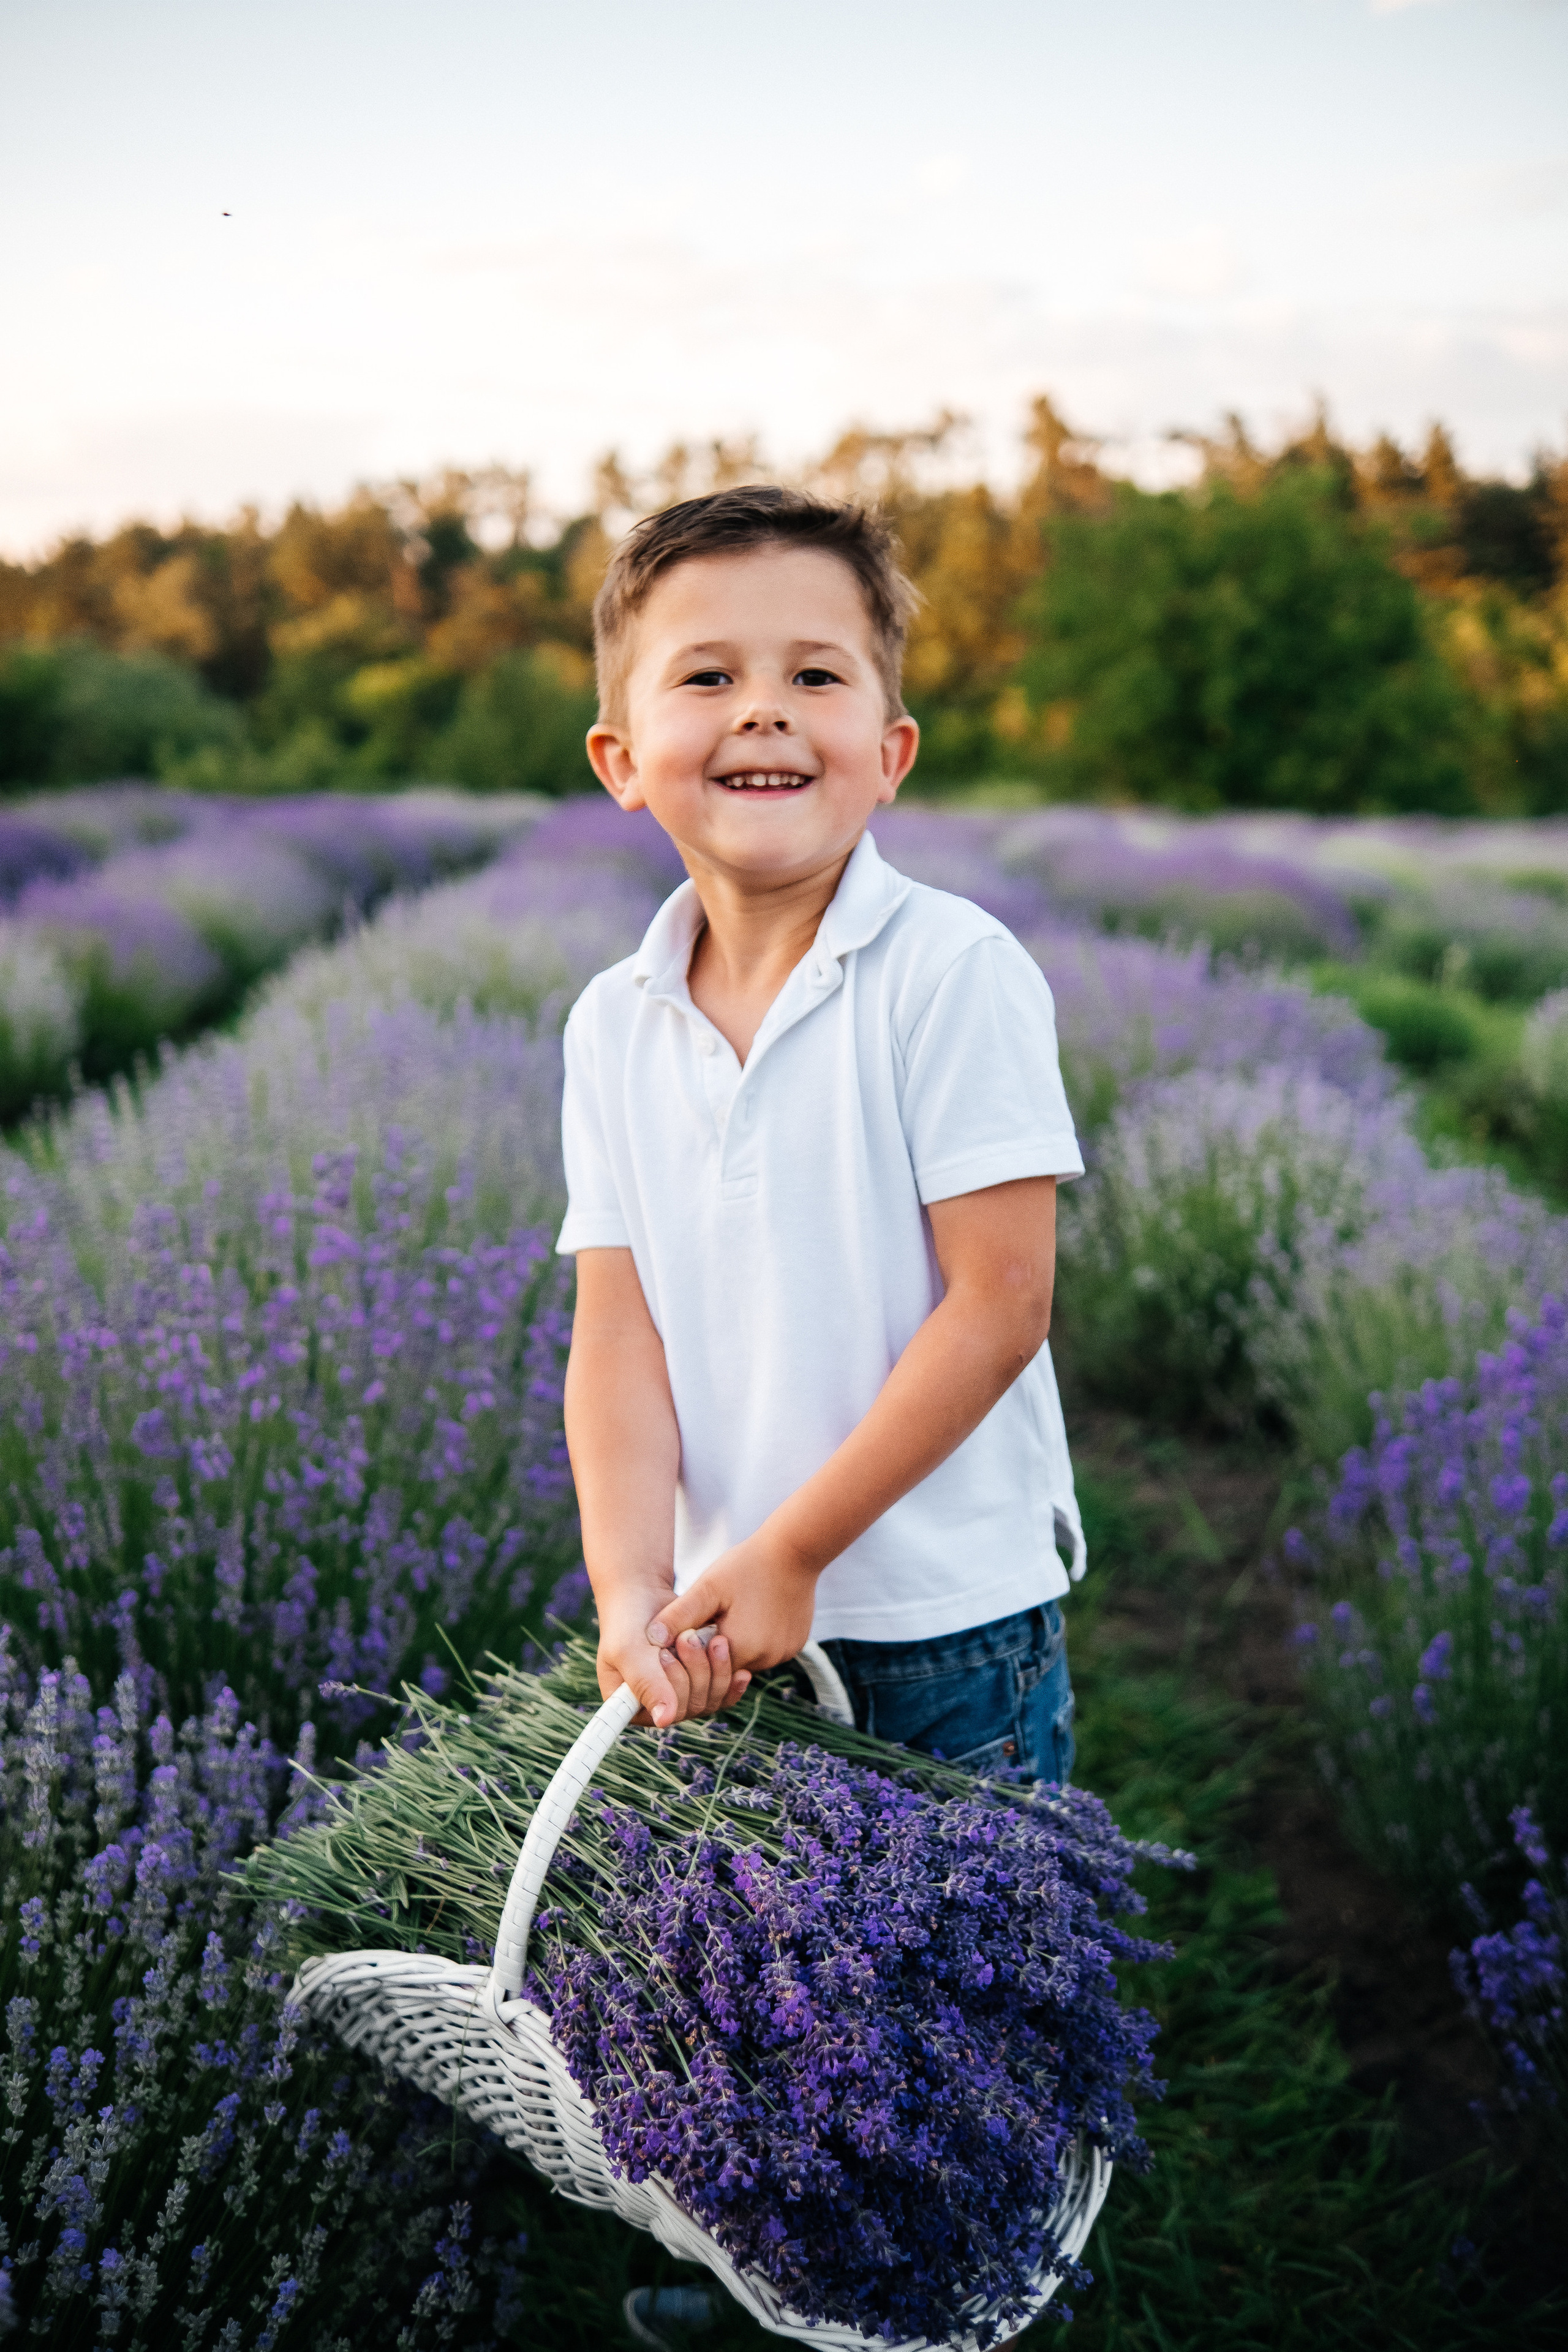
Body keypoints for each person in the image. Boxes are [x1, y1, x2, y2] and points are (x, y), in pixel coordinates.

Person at [557, 484, 1086, 1780]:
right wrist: (630, 1587)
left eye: (812, 673)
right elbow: (617, 1332)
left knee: (979, 1977)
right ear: (621, 762)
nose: (762, 707)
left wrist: (797, 1547)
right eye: (705, 676)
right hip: (722, 1629)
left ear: (890, 751)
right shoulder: (611, 1024)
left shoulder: (950, 970)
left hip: (940, 1624)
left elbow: (1001, 1303)